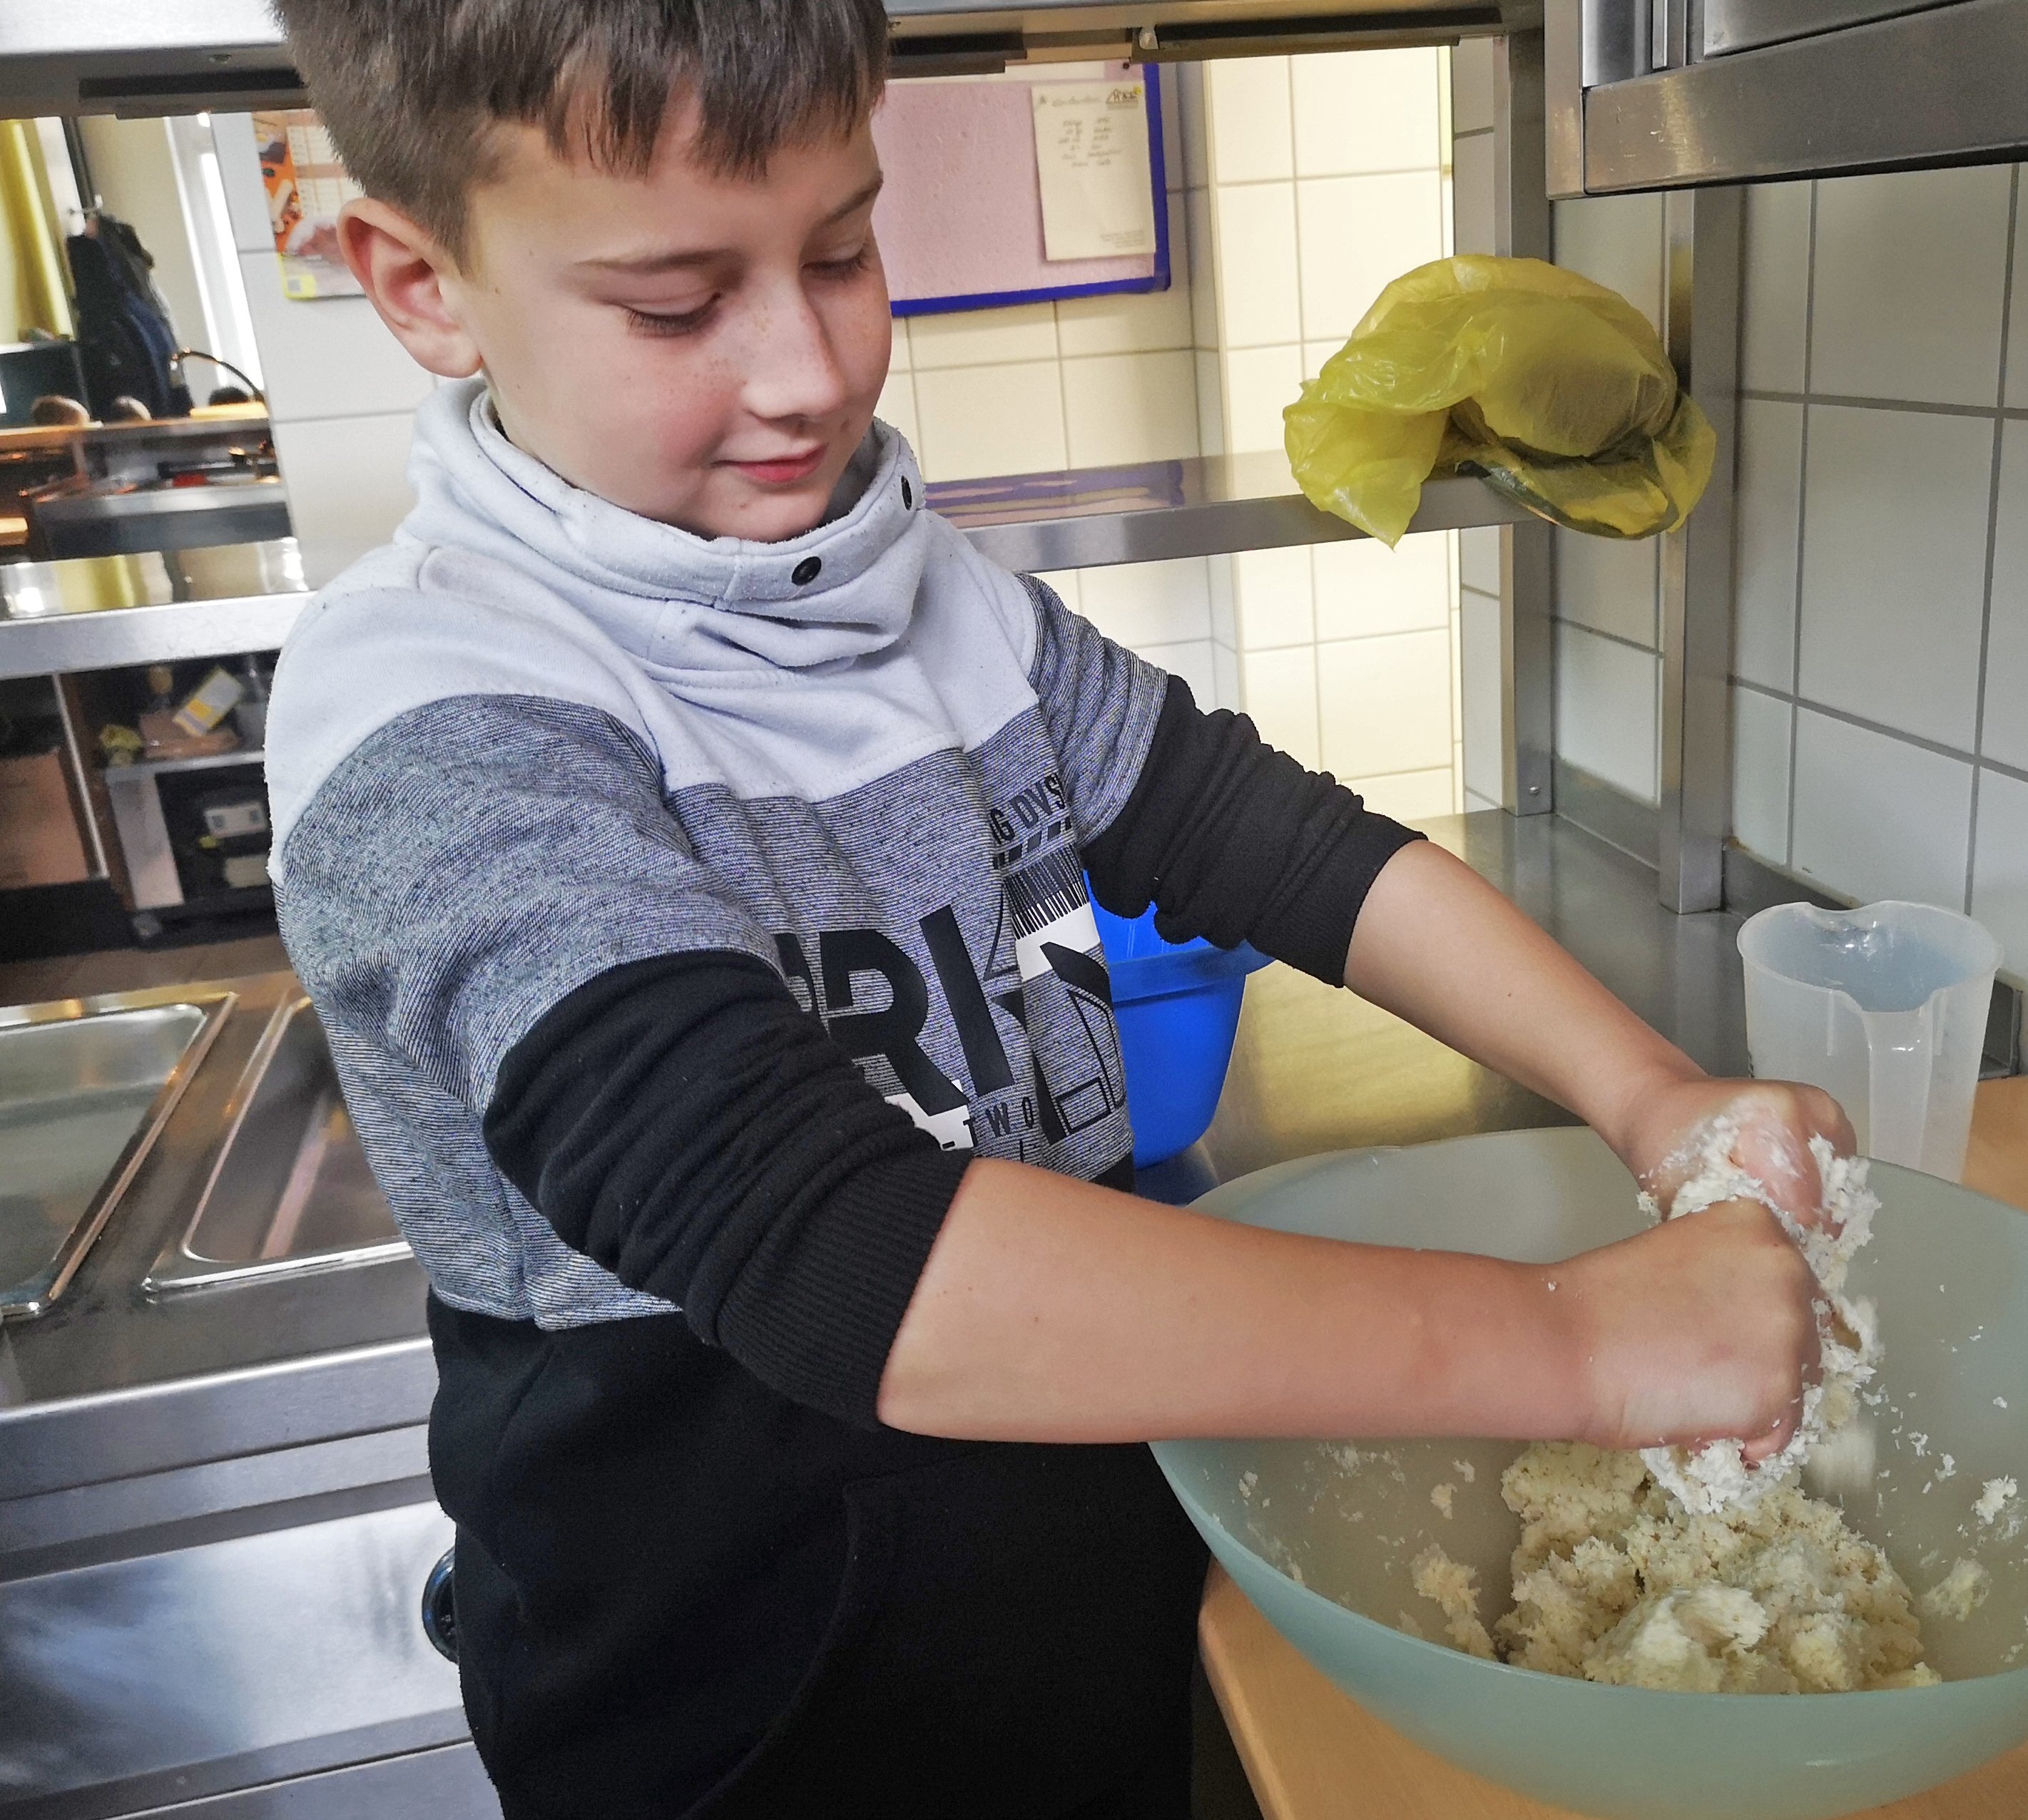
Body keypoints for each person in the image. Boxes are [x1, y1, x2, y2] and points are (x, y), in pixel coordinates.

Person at [261, 4, 1855, 1817]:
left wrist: (1647, 1092)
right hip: (742, 1711)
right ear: (420, 281)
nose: (805, 369)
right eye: (677, 304)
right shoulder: (438, 715)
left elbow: (1257, 833)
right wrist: (1576, 1342)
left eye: (844, 249)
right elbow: (825, 1243)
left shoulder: (920, 588)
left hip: (1075, 1607)